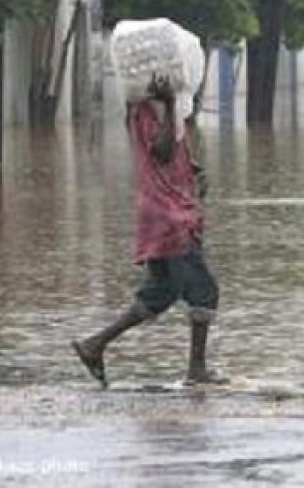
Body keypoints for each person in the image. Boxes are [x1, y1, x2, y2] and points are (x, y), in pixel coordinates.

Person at [72, 75, 222, 387]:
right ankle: (196, 370)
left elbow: (173, 158)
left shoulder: (165, 113)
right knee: (203, 289)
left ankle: (94, 345)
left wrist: (192, 170)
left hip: (168, 213)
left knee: (161, 292)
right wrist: (168, 104)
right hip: (170, 218)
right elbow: (162, 151)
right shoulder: (145, 112)